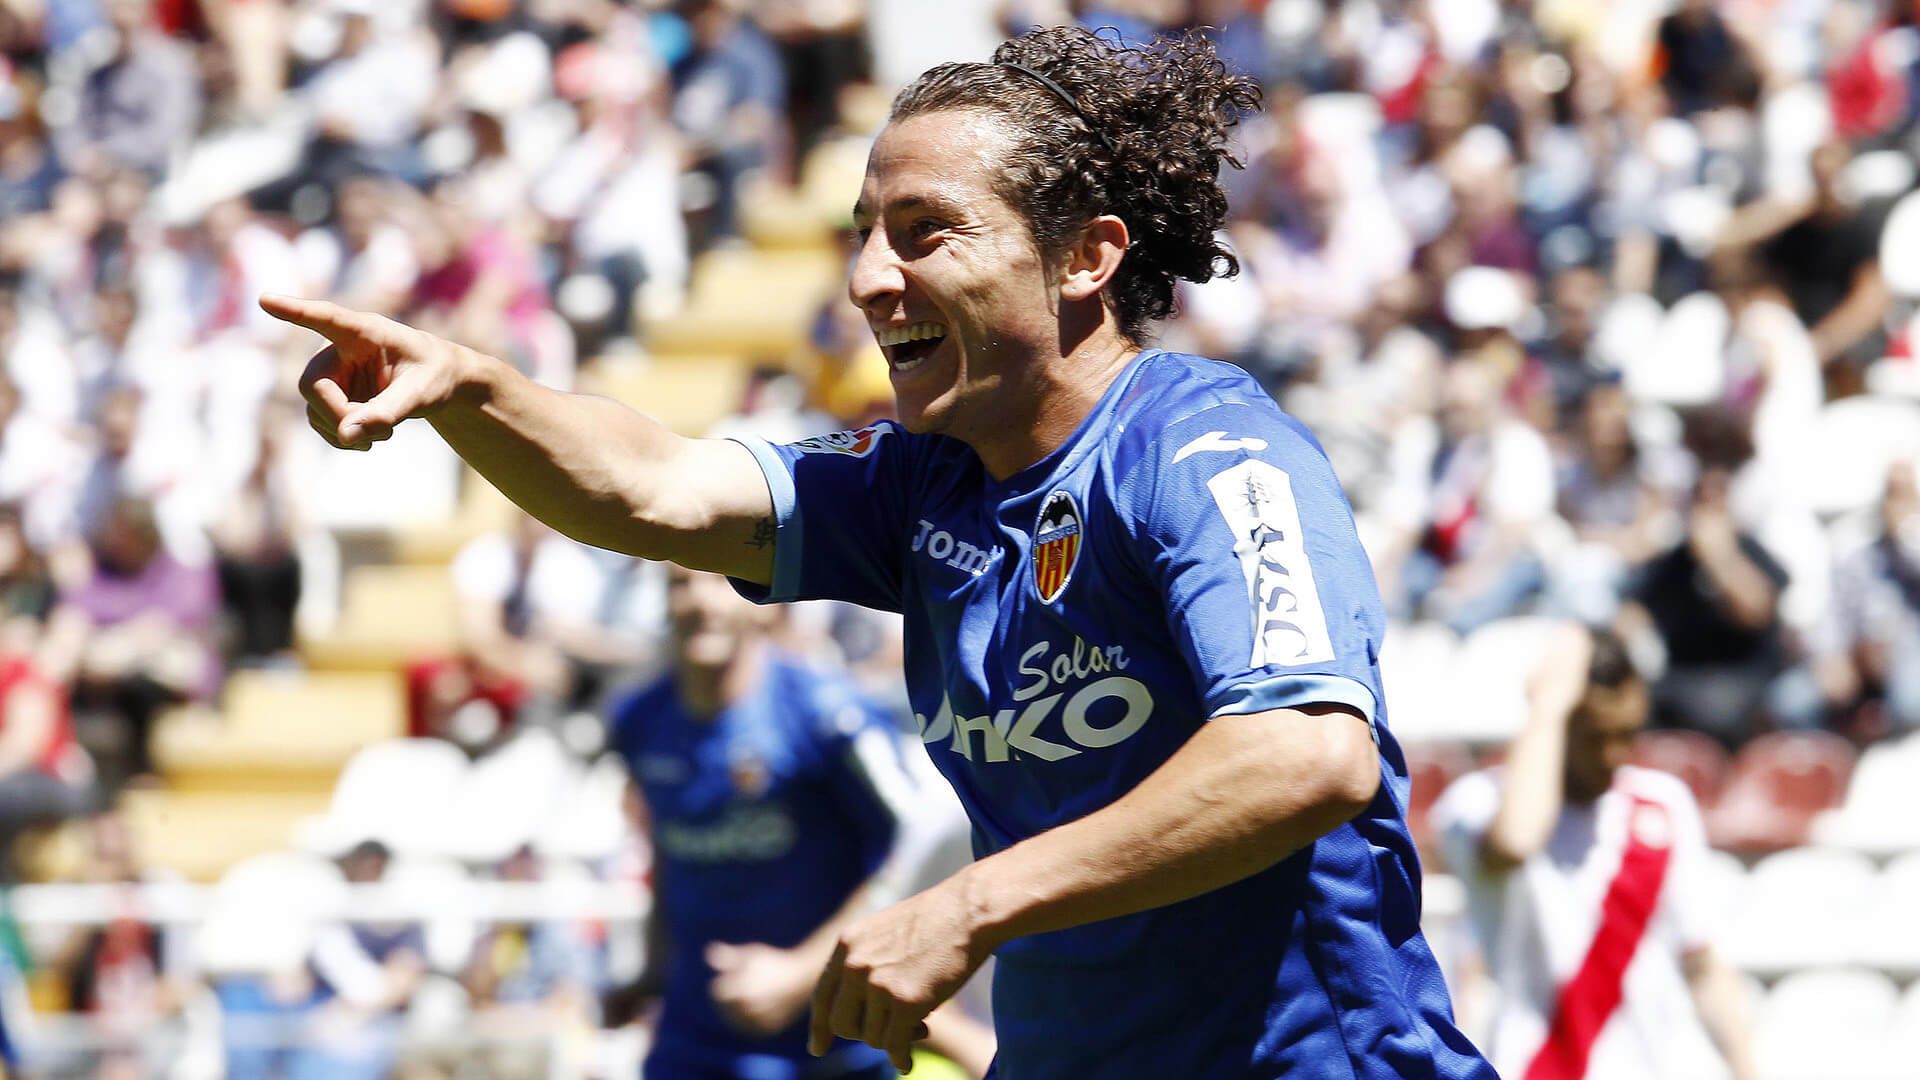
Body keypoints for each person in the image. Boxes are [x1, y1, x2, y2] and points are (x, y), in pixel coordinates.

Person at [264, 25, 1492, 1078]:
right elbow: (651, 485)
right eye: (863, 233)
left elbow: (1307, 753)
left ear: (1085, 256)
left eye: (923, 232)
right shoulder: (922, 486)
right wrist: (469, 386)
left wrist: (968, 903)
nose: (867, 278)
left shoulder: (1208, 451)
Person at [608, 565, 986, 1080]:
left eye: (720, 581)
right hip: (692, 1039)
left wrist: (803, 972)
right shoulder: (640, 720)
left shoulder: (826, 713)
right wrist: (652, 970)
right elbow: (667, 848)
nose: (701, 601)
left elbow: (911, 849)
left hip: (830, 1044)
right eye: (680, 584)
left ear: (763, 600)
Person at [1431, 623, 1759, 1080]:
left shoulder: (1663, 803)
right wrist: (1546, 706)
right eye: (1593, 736)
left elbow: (1702, 966)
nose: (1612, 755)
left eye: (1626, 734)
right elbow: (1516, 840)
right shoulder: (1476, 803)